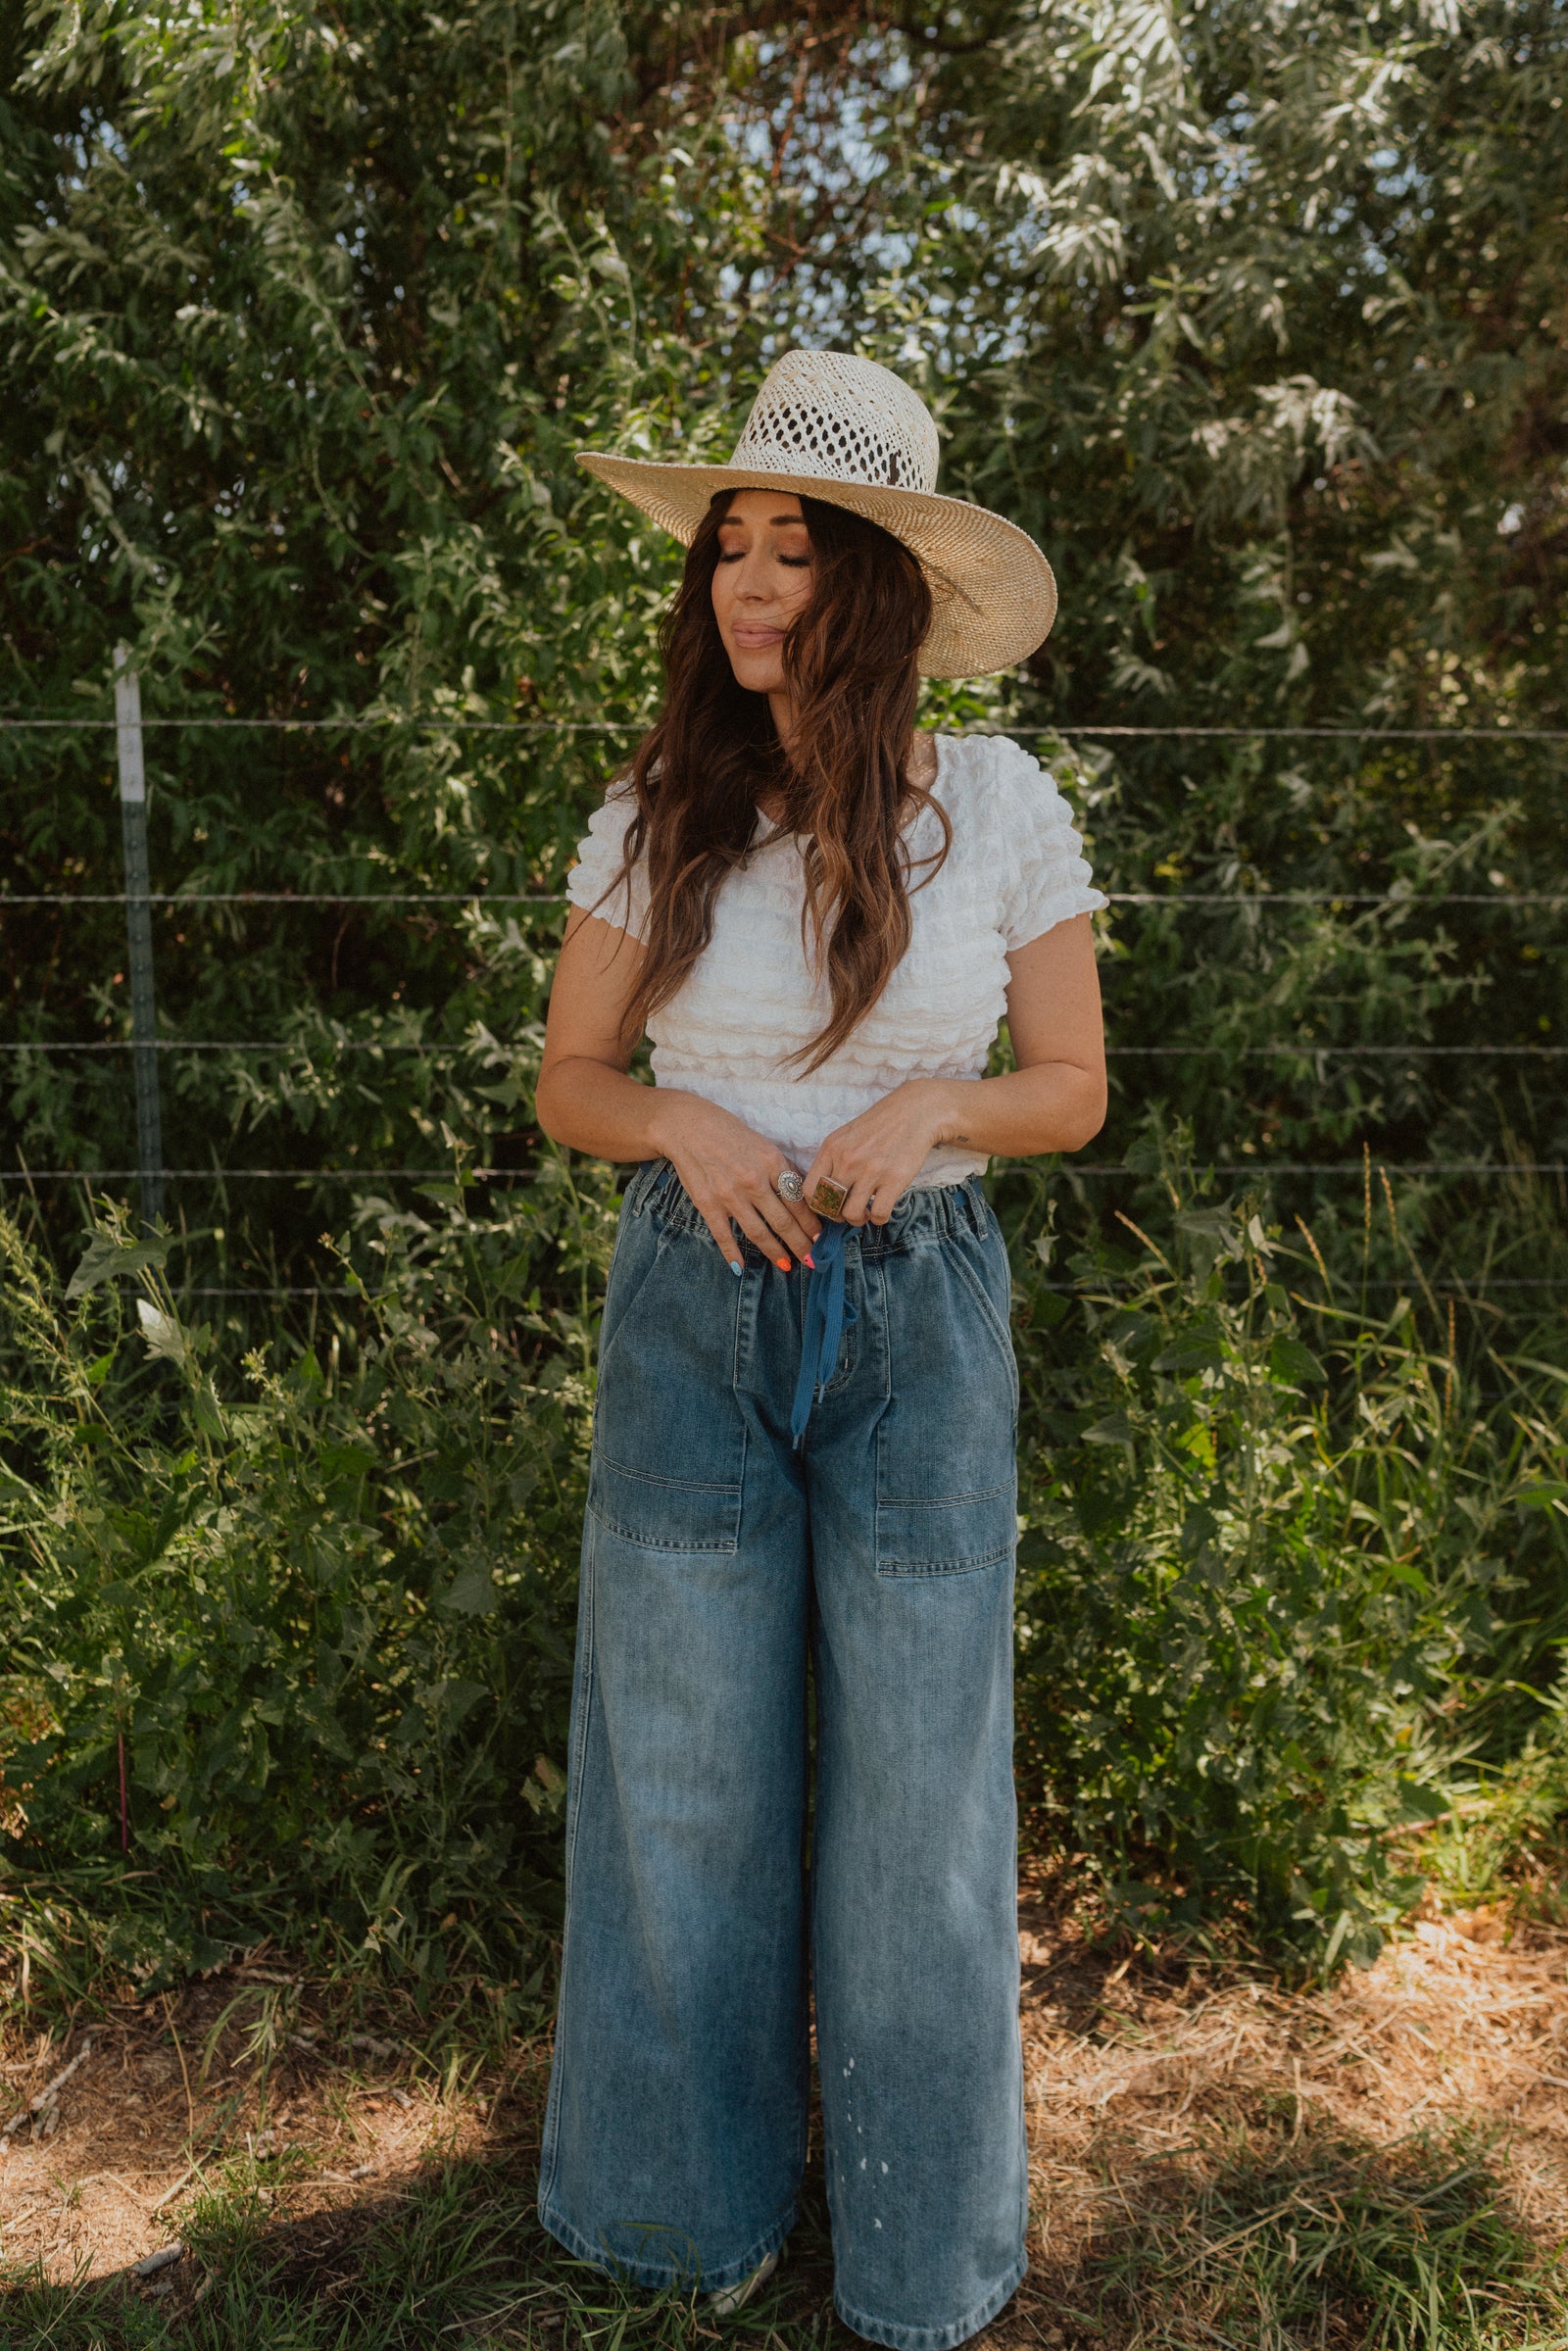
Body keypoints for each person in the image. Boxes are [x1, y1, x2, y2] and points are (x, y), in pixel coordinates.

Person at [534, 349, 1106, 2349]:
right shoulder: (661, 809)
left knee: (918, 1808)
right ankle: (678, 2222)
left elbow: (1069, 1088)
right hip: (692, 1306)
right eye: (729, 548)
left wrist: (933, 1106)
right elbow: (572, 1082)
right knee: (683, 1783)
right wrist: (682, 1124)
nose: (749, 585)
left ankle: (919, 2257)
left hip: (917, 1315)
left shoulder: (1001, 805)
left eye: (793, 548)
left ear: (877, 585)